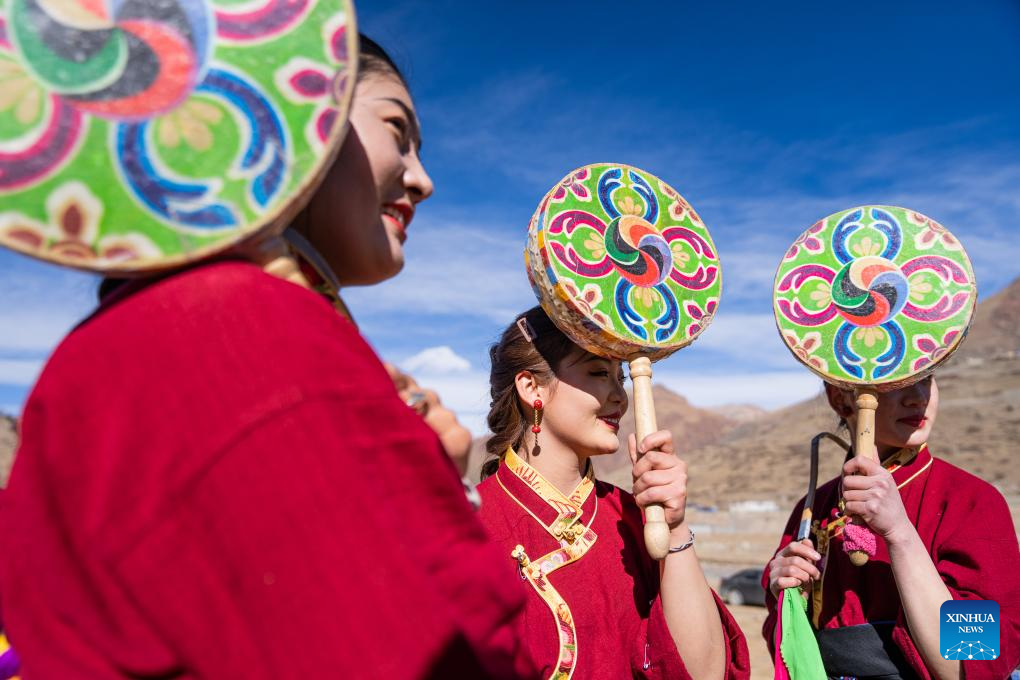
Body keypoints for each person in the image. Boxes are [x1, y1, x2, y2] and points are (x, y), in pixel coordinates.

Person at [0, 35, 527, 678]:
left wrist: (418, 480)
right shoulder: (245, 333)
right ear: (299, 111)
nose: (423, 179)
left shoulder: (148, 331)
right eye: (398, 131)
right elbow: (419, 654)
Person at [476, 306, 750, 679]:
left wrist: (674, 527)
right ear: (532, 387)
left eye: (619, 378)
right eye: (597, 373)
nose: (620, 397)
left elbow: (704, 673)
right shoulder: (469, 524)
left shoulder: (632, 516)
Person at [763, 376, 1020, 679]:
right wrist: (786, 596)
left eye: (927, 379)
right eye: (893, 384)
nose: (918, 397)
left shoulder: (971, 500)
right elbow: (787, 650)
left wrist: (900, 532)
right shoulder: (813, 507)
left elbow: (971, 665)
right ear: (841, 399)